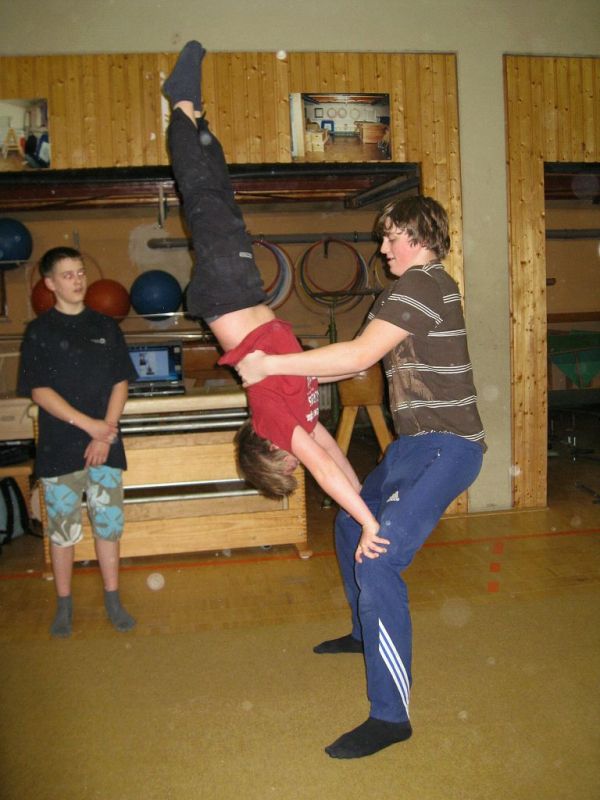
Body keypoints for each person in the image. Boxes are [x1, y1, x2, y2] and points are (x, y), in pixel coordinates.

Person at [238, 195, 486, 759]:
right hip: (413, 448)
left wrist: (271, 365)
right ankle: (363, 632)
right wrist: (284, 376)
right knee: (351, 524)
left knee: (378, 560)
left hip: (450, 448)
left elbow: (356, 354)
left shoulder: (424, 284)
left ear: (418, 238)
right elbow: (353, 361)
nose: (382, 247)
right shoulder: (402, 291)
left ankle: (391, 718)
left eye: (390, 236)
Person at [161, 41, 383, 540]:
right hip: (239, 292)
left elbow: (320, 467)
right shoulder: (301, 420)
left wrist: (367, 525)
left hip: (226, 292)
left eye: (287, 466)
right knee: (221, 199)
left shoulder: (271, 423)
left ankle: (180, 103)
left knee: (202, 197)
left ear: (269, 455)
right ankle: (197, 124)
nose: (296, 462)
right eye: (293, 468)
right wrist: (364, 507)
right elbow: (331, 456)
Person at [18, 247, 137, 638]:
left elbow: (120, 382)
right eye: (68, 275)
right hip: (60, 449)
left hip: (106, 446)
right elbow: (40, 391)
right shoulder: (39, 332)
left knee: (109, 528)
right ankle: (64, 605)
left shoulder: (106, 327)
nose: (78, 280)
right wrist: (91, 427)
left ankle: (113, 600)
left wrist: (106, 430)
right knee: (63, 532)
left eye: (81, 272)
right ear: (50, 283)